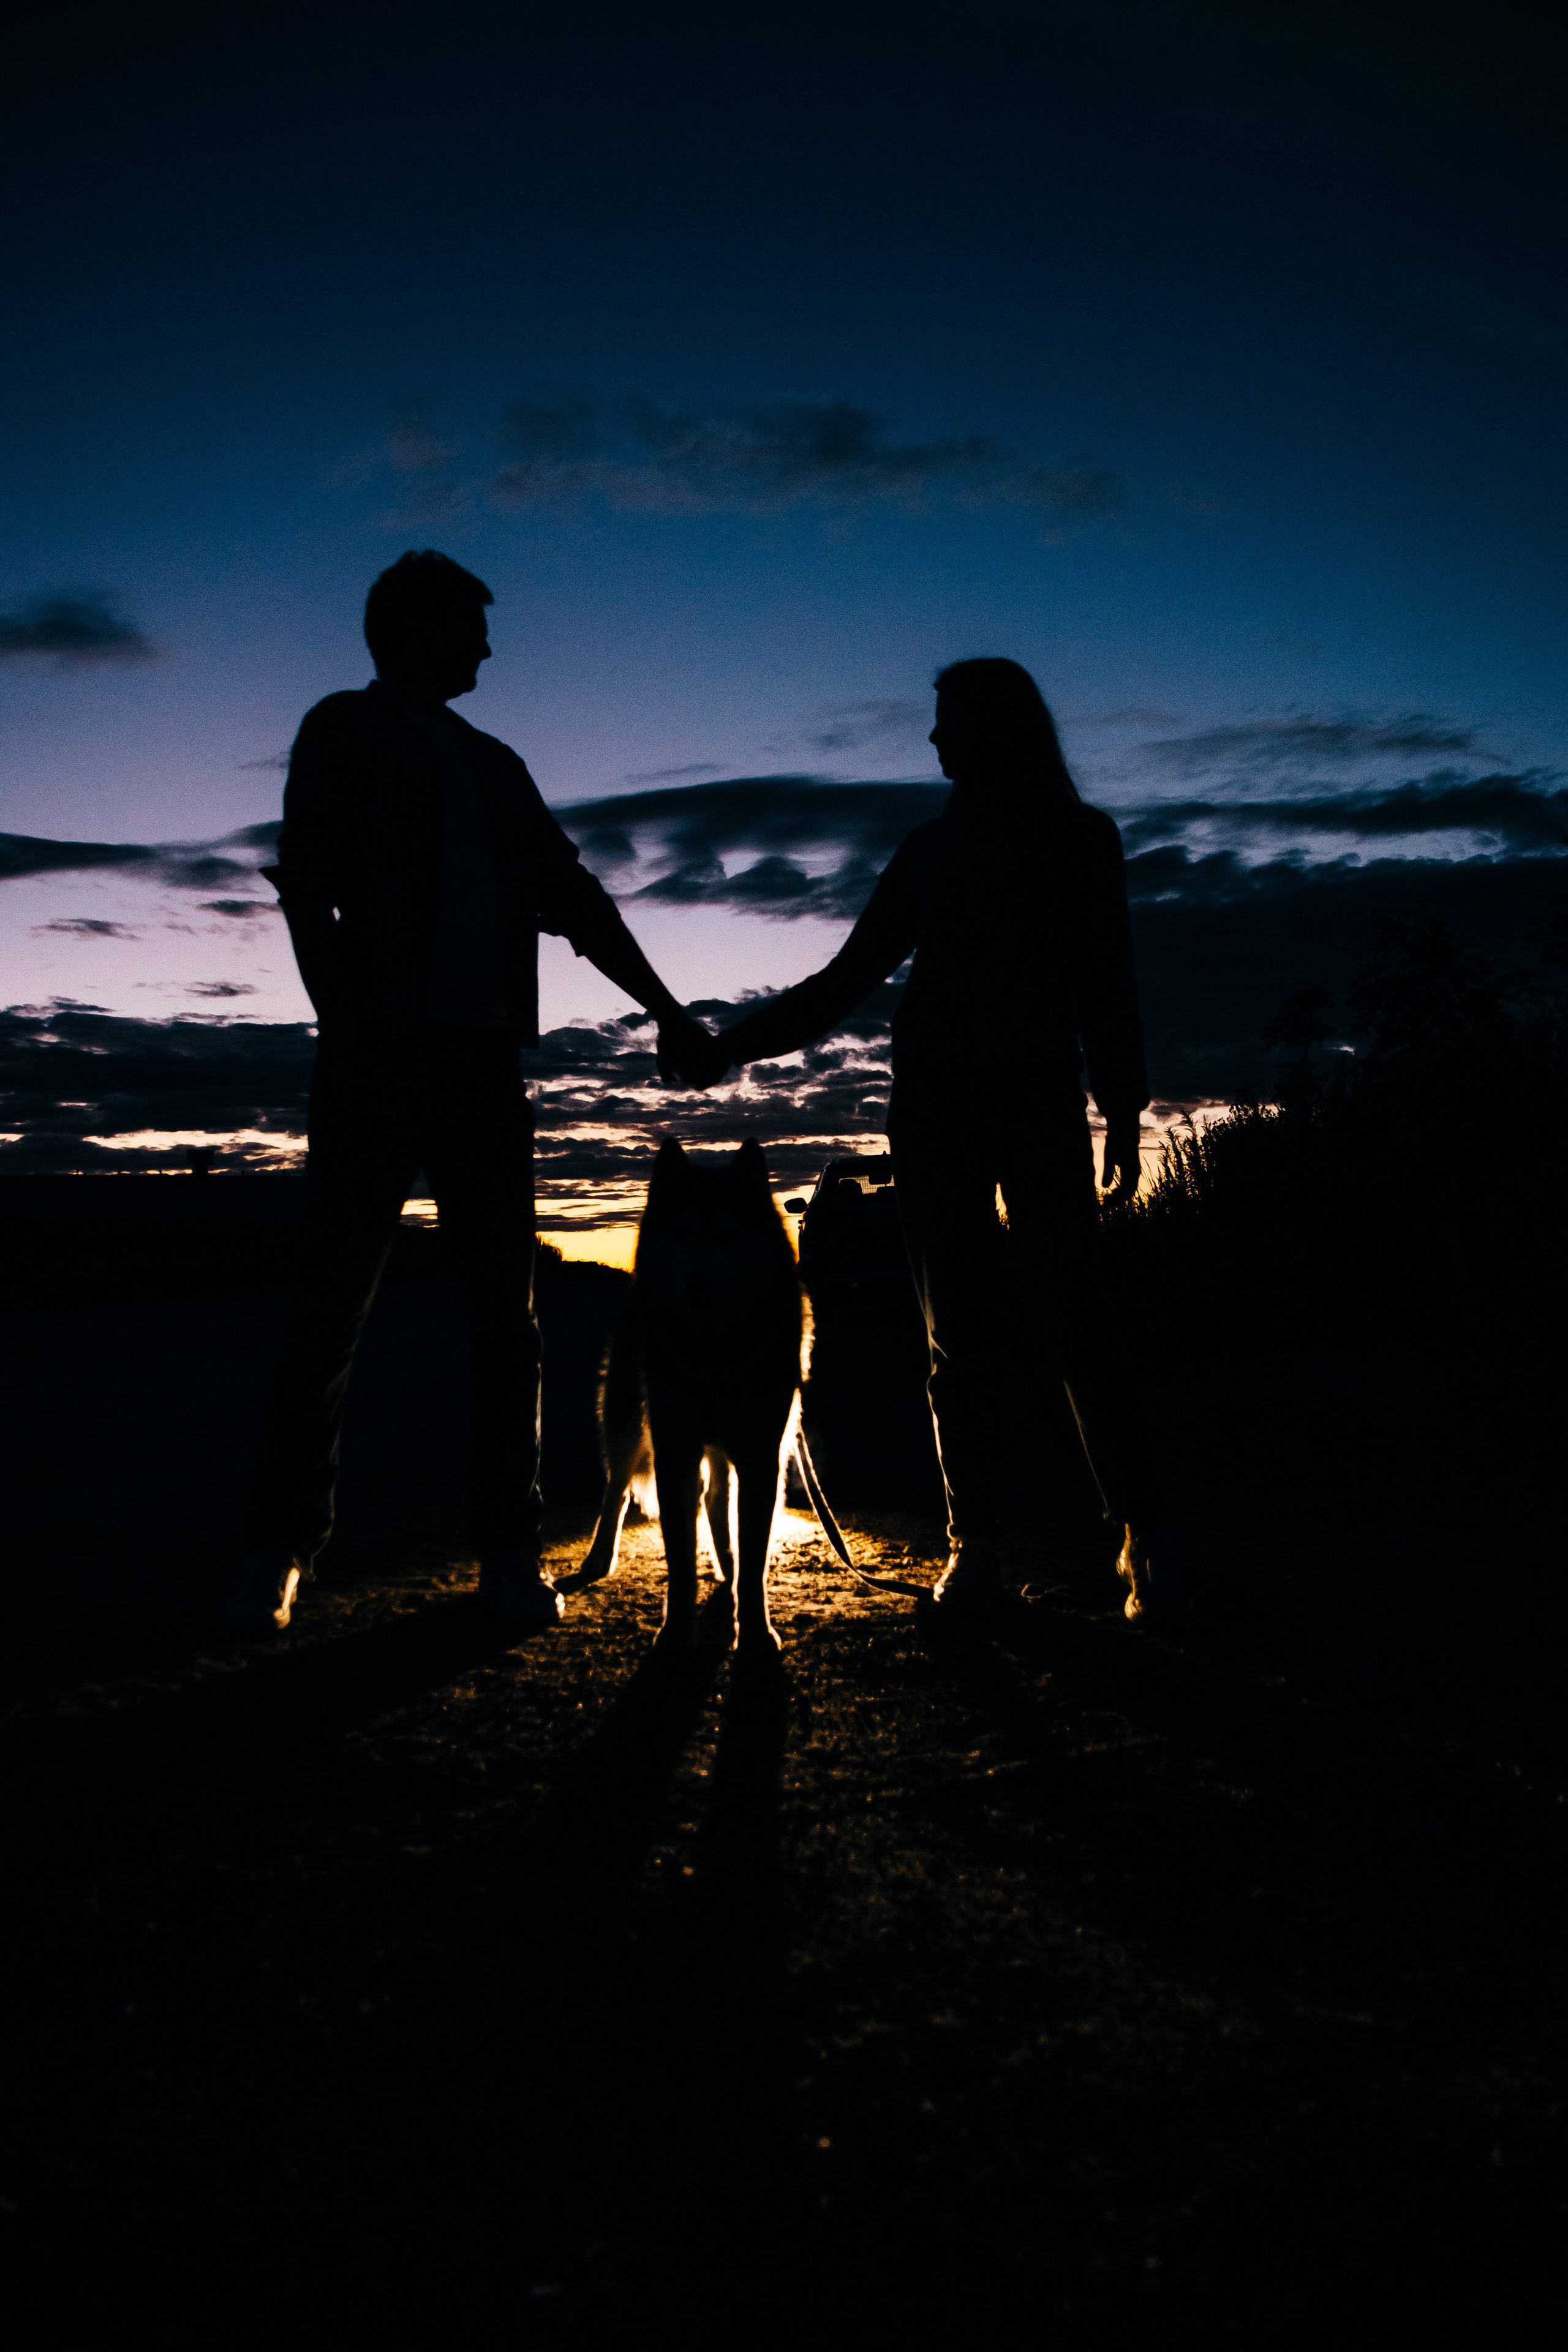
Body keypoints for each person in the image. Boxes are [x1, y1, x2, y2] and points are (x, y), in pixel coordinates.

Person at [228, 551, 726, 1632]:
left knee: (506, 1317)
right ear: (417, 629)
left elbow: (572, 896)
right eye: (472, 628)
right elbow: (307, 887)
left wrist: (666, 1005)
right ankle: (276, 1553)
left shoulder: (494, 763)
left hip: (481, 1063)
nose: (490, 651)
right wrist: (346, 1017)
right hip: (377, 1056)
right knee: (330, 1309)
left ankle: (507, 1550)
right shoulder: (342, 731)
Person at [711, 657, 1182, 1618]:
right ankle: (985, 1553)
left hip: (1026, 1103)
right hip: (941, 1110)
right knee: (970, 1334)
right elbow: (848, 981)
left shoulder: (1071, 841)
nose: (931, 740)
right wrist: (734, 1045)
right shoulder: (935, 849)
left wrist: (1125, 1108)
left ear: (991, 728)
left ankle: (1141, 1543)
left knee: (1064, 1325)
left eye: (946, 722)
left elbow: (1107, 979)